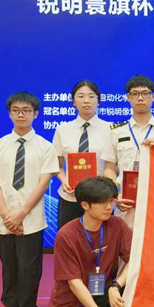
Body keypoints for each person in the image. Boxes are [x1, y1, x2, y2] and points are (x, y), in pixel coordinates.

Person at [49, 177, 154, 307]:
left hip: (104, 292)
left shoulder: (117, 225)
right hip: (72, 303)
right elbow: (74, 284)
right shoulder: (67, 235)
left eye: (112, 200)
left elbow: (135, 260)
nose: (110, 207)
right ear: (85, 205)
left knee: (141, 278)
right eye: (103, 202)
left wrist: (116, 286)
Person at [0, 92, 59, 307]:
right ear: (9, 114)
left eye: (26, 110)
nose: (21, 115)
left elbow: (43, 182)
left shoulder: (46, 147)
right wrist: (7, 214)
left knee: (29, 269)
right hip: (2, 219)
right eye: (16, 110)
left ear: (36, 114)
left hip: (31, 219)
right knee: (9, 270)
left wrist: (22, 212)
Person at [102, 75, 154, 228]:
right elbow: (109, 168)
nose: (140, 98)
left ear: (153, 96)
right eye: (135, 94)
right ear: (128, 98)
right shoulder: (117, 131)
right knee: (125, 241)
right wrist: (115, 195)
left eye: (145, 93)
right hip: (126, 201)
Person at [52, 81, 111, 230]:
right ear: (73, 101)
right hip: (70, 196)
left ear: (98, 100)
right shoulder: (62, 130)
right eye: (81, 96)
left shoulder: (111, 129)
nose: (86, 101)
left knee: (101, 239)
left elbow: (113, 165)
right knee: (68, 238)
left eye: (91, 96)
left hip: (100, 197)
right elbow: (57, 165)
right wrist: (64, 180)